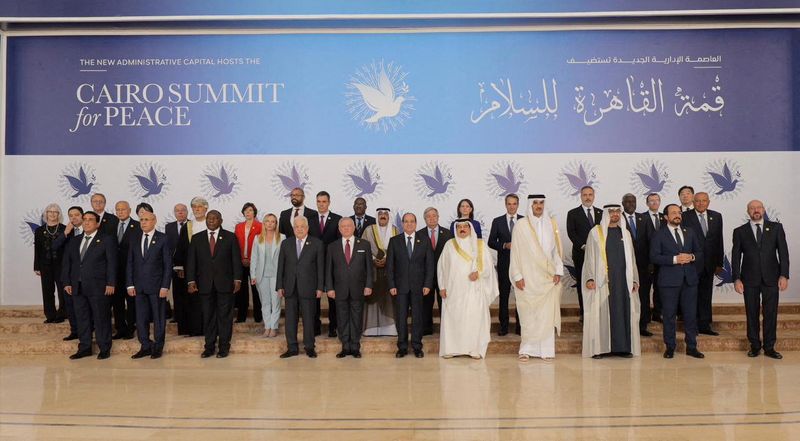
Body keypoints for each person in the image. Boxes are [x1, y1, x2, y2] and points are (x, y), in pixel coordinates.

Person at [732, 200, 790, 359]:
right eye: (752, 208)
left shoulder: (776, 228)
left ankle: (770, 347)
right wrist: (736, 279)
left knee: (771, 313)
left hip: (772, 278)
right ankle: (755, 346)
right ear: (748, 211)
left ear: (763, 210)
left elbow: (783, 254)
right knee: (752, 313)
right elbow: (736, 257)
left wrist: (784, 275)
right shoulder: (739, 231)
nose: (755, 210)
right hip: (749, 279)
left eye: (758, 208)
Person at [582, 204, 641, 359]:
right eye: (611, 212)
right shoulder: (596, 233)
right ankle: (600, 349)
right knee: (601, 312)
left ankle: (622, 348)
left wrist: (634, 279)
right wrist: (589, 277)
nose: (615, 214)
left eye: (617, 211)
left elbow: (632, 259)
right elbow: (588, 258)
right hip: (603, 282)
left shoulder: (626, 233)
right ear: (606, 214)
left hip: (623, 282)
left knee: (622, 312)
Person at [510, 195, 564, 361]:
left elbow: (556, 251)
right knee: (528, 315)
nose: (538, 206)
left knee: (546, 314)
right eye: (535, 203)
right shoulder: (521, 225)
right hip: (527, 277)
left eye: (541, 203)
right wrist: (517, 275)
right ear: (530, 205)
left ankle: (546, 350)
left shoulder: (551, 223)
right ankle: (526, 349)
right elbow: (515, 253)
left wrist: (558, 271)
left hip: (547, 278)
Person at [650, 204, 704, 359]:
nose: (677, 215)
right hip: (668, 281)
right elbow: (654, 257)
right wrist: (675, 259)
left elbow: (699, 252)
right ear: (666, 217)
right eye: (673, 213)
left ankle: (692, 347)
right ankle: (670, 347)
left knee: (690, 315)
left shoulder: (690, 232)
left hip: (690, 281)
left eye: (679, 212)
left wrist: (691, 257)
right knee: (668, 315)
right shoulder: (659, 234)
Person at [186, 210, 243, 359]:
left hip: (225, 284)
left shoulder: (230, 237)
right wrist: (191, 281)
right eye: (209, 218)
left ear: (221, 220)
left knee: (225, 317)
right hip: (204, 285)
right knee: (208, 317)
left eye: (215, 218)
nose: (211, 220)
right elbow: (191, 261)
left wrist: (238, 279)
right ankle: (209, 347)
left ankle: (224, 347)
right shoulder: (197, 238)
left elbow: (236, 260)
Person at [437, 220, 498, 359]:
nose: (462, 229)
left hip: (473, 290)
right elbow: (441, 268)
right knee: (454, 319)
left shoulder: (480, 245)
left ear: (471, 229)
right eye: (459, 227)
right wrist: (442, 286)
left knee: (473, 318)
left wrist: (479, 273)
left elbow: (488, 266)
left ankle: (474, 349)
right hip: (453, 291)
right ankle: (452, 349)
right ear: (455, 229)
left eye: (465, 226)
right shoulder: (449, 245)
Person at [61, 211, 117, 360]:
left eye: (90, 220)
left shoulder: (106, 239)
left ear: (97, 223)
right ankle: (85, 347)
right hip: (77, 286)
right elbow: (68, 262)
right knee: (82, 318)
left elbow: (112, 263)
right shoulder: (74, 240)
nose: (86, 222)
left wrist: (111, 283)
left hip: (99, 286)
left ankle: (104, 347)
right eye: (84, 219)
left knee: (101, 318)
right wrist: (67, 281)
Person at [276, 216, 325, 358]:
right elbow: (281, 267)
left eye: (302, 226)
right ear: (293, 229)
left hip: (309, 287)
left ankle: (309, 347)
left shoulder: (317, 244)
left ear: (307, 228)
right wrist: (279, 285)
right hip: (289, 287)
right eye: (296, 227)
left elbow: (320, 268)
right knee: (290, 319)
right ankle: (292, 348)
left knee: (309, 319)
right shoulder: (286, 243)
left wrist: (320, 287)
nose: (299, 229)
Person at [126, 210, 172, 359]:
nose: (143, 222)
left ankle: (158, 346)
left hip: (157, 287)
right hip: (138, 287)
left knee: (158, 318)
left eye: (147, 219)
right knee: (141, 318)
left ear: (154, 221)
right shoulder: (134, 238)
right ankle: (145, 345)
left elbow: (167, 265)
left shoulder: (163, 238)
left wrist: (165, 286)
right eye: (141, 220)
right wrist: (130, 284)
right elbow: (130, 263)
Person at [387, 213, 434, 358]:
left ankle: (417, 346)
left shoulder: (425, 240)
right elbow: (390, 266)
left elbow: (430, 265)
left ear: (416, 223)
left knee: (417, 317)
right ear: (402, 223)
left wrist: (427, 284)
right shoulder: (394, 241)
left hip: (419, 287)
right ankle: (402, 347)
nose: (409, 224)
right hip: (400, 287)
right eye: (406, 221)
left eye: (412, 221)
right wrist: (391, 285)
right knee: (401, 317)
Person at [325, 217, 373, 358]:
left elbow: (369, 268)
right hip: (339, 290)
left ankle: (355, 346)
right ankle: (345, 346)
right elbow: (328, 270)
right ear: (339, 229)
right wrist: (330, 288)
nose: (346, 228)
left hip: (358, 288)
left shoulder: (364, 245)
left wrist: (368, 285)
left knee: (357, 318)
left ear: (354, 228)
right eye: (343, 226)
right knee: (342, 318)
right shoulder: (332, 246)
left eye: (349, 226)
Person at [682, 192, 724, 336]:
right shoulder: (685, 216)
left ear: (708, 202)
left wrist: (719, 263)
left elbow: (719, 240)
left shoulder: (717, 216)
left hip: (710, 264)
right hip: (692, 264)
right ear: (693, 202)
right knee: (691, 295)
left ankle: (705, 325)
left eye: (704, 201)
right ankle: (691, 326)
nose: (700, 203)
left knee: (706, 295)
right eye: (698, 201)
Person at [488, 193, 524, 336]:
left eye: (514, 203)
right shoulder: (497, 221)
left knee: (521, 296)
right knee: (504, 296)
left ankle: (520, 326)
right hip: (504, 264)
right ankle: (503, 326)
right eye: (509, 204)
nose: (512, 206)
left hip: (521, 265)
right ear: (505, 204)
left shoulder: (524, 220)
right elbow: (491, 242)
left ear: (518, 204)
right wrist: (504, 245)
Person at [172, 197, 208, 336]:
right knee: (192, 299)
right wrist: (180, 267)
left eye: (200, 207)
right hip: (191, 269)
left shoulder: (212, 222)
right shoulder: (188, 226)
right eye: (194, 207)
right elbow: (181, 248)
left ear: (206, 208)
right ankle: (194, 329)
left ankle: (208, 328)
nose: (197, 209)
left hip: (208, 269)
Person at [566, 185, 602, 320]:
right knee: (583, 282)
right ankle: (584, 312)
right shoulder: (573, 213)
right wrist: (583, 246)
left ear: (594, 196)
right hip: (581, 254)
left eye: (590, 194)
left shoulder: (601, 213)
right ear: (581, 196)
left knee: (599, 281)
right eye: (585, 195)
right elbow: (571, 233)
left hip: (599, 256)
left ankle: (598, 311)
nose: (588, 197)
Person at [360, 208, 398, 336]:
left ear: (389, 216)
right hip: (373, 271)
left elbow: (399, 250)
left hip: (389, 271)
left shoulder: (395, 230)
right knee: (373, 300)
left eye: (385, 214)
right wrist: (373, 260)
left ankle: (390, 329)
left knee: (388, 300)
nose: (383, 216)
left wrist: (387, 259)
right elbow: (363, 249)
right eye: (380, 214)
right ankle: (371, 329)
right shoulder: (369, 230)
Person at [622, 193, 655, 337]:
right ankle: (626, 326)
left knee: (643, 296)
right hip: (624, 266)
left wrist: (651, 263)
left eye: (633, 201)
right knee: (626, 296)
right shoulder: (617, 218)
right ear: (623, 204)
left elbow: (652, 242)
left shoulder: (644, 219)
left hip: (643, 266)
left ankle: (642, 325)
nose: (631, 204)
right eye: (628, 202)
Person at [417, 207, 452, 335]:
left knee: (445, 303)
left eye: (434, 216)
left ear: (438, 217)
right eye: (428, 216)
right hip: (426, 276)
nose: (431, 218)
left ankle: (446, 330)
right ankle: (427, 329)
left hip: (444, 275)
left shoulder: (448, 234)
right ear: (424, 219)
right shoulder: (419, 234)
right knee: (426, 303)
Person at [53, 206, 85, 340]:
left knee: (85, 306)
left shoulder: (91, 228)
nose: (74, 218)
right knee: (70, 305)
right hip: (69, 274)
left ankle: (89, 330)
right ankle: (75, 331)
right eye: (71, 215)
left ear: (82, 216)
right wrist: (65, 232)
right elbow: (54, 247)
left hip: (87, 275)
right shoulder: (65, 231)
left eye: (76, 215)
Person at [250, 213, 284, 337]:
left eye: (273, 221)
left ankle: (273, 327)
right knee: (265, 302)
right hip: (261, 275)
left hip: (276, 275)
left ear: (276, 224)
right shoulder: (257, 238)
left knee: (276, 302)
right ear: (264, 224)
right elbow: (254, 258)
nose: (270, 223)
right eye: (267, 221)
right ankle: (267, 326)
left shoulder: (282, 238)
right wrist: (253, 275)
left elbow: (285, 259)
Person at [33, 203, 67, 324]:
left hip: (61, 265)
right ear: (46, 214)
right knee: (47, 290)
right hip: (45, 265)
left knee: (62, 291)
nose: (52, 214)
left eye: (55, 212)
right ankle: (50, 315)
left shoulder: (65, 229)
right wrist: (36, 266)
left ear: (59, 214)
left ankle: (62, 314)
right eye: (50, 212)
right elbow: (37, 249)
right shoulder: (39, 230)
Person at [112, 200, 140, 340]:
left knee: (131, 301)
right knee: (117, 302)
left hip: (131, 271)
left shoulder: (138, 226)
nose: (120, 212)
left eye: (123, 209)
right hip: (114, 272)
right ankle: (120, 328)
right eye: (118, 209)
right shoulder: (111, 225)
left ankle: (131, 328)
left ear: (129, 210)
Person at [316, 191, 342, 337]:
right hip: (314, 266)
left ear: (329, 202)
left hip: (332, 266)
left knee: (333, 298)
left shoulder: (337, 219)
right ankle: (315, 327)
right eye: (319, 201)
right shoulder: (311, 219)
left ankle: (333, 327)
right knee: (315, 299)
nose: (321, 204)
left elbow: (339, 244)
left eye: (324, 201)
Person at [234, 202, 262, 323]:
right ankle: (241, 316)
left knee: (256, 290)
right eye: (245, 210)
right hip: (241, 262)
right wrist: (241, 259)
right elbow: (235, 245)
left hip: (255, 262)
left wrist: (251, 259)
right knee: (241, 291)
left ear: (254, 212)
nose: (248, 212)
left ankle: (258, 316)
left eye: (250, 210)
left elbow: (261, 245)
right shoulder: (238, 226)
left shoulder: (260, 226)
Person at [165, 203, 189, 323]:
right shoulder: (169, 227)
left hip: (189, 264)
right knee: (177, 291)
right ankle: (178, 315)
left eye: (182, 210)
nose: (180, 213)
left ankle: (189, 315)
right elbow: (168, 247)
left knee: (189, 291)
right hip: (174, 264)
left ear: (187, 212)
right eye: (177, 211)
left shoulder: (191, 225)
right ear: (174, 213)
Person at [645, 193, 664, 323]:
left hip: (663, 261)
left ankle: (658, 313)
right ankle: (645, 315)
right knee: (645, 289)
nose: (654, 203)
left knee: (660, 288)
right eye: (651, 201)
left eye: (656, 200)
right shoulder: (641, 218)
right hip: (646, 261)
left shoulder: (665, 217)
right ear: (647, 203)